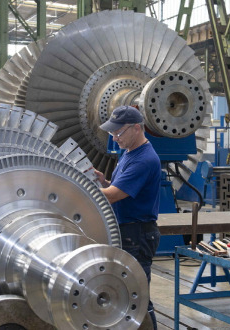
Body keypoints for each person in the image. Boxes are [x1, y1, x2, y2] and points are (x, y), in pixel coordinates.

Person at [95, 105, 161, 330]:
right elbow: (115, 188)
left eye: (119, 132)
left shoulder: (144, 160)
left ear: (137, 128)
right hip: (127, 231)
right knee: (125, 292)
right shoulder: (130, 153)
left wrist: (79, 187)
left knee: (138, 296)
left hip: (138, 235)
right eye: (112, 132)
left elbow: (113, 196)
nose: (114, 138)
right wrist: (103, 181)